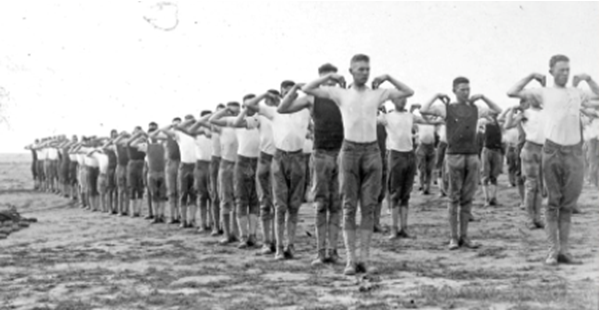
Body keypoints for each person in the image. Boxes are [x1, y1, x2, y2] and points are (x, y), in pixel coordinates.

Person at [303, 54, 415, 275]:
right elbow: (308, 88)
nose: (364, 72)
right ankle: (350, 260)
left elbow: (408, 92)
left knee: (369, 207)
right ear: (351, 71)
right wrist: (331, 77)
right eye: (360, 69)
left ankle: (364, 258)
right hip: (350, 152)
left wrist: (389, 77)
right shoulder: (340, 94)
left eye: (367, 69)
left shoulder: (377, 94)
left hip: (372, 152)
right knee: (348, 207)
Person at [507, 54, 599, 265]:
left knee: (568, 205)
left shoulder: (577, 93)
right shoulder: (544, 93)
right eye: (560, 70)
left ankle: (564, 250)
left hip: (574, 152)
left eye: (567, 69)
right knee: (552, 203)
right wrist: (531, 75)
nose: (565, 73)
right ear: (551, 72)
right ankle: (552, 251)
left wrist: (589, 79)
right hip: (553, 151)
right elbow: (512, 92)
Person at [421, 77, 502, 251]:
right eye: (462, 89)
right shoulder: (446, 109)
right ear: (454, 90)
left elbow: (497, 110)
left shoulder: (476, 109)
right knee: (453, 198)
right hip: (454, 156)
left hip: (471, 156)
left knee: (467, 198)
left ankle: (464, 236)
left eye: (468, 89)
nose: (466, 92)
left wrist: (483, 97)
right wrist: (436, 95)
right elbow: (424, 110)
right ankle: (453, 237)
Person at [277, 63, 345, 266]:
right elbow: (282, 108)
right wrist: (297, 87)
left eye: (332, 78)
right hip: (321, 154)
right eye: (326, 78)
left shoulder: (342, 97)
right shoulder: (312, 98)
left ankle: (333, 251)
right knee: (321, 204)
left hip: (341, 153)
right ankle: (320, 252)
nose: (330, 82)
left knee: (336, 205)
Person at [247, 81, 311, 261]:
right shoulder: (273, 112)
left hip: (298, 158)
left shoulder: (305, 110)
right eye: (285, 93)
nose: (289, 95)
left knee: (294, 205)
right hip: (276, 158)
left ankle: (291, 245)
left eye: (292, 92)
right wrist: (265, 95)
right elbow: (249, 109)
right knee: (278, 205)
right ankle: (277, 247)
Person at [380, 98, 443, 240]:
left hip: (409, 155)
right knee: (395, 193)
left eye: (404, 99)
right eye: (399, 98)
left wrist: (441, 121)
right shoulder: (387, 117)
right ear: (393, 101)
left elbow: (426, 121)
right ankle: (394, 229)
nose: (402, 101)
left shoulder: (410, 116)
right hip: (395, 155)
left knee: (405, 195)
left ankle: (404, 228)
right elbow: (370, 118)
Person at [213, 98, 263, 249]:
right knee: (229, 200)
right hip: (230, 164)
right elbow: (213, 119)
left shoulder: (257, 120)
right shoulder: (232, 121)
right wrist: (226, 109)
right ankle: (230, 234)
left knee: (252, 199)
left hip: (251, 162)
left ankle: (250, 236)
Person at [241, 92, 278, 255]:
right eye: (269, 100)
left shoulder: (286, 115)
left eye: (275, 99)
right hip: (264, 159)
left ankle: (277, 242)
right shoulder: (259, 116)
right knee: (265, 203)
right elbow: (246, 112)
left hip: (282, 158)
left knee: (279, 204)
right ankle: (268, 242)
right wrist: (262, 95)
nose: (272, 102)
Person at [504, 99, 546, 230]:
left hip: (543, 149)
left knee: (538, 186)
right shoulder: (526, 113)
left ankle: (537, 218)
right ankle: (529, 219)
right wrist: (512, 110)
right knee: (531, 185)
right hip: (530, 148)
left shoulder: (546, 112)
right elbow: (508, 125)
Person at [209, 103, 243, 245]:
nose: (233, 115)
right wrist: (224, 111)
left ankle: (237, 233)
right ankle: (227, 234)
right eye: (231, 112)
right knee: (225, 199)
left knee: (239, 199)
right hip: (226, 164)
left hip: (241, 164)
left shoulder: (243, 125)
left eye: (236, 112)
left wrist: (240, 113)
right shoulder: (222, 126)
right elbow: (212, 119)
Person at [178, 111, 214, 233]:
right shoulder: (197, 132)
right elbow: (181, 127)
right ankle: (203, 223)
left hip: (213, 164)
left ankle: (213, 223)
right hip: (200, 165)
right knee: (201, 195)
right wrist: (195, 120)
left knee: (213, 196)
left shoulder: (215, 130)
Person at [149, 118, 183, 224]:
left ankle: (180, 215)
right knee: (172, 191)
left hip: (181, 162)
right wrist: (171, 125)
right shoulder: (168, 136)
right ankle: (173, 216)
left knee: (180, 191)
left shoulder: (183, 135)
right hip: (170, 163)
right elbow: (152, 135)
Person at [414, 107, 437, 196]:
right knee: (422, 169)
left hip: (431, 147)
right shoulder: (419, 123)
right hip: (422, 146)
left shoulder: (433, 124)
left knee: (429, 169)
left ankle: (427, 188)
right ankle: (421, 186)